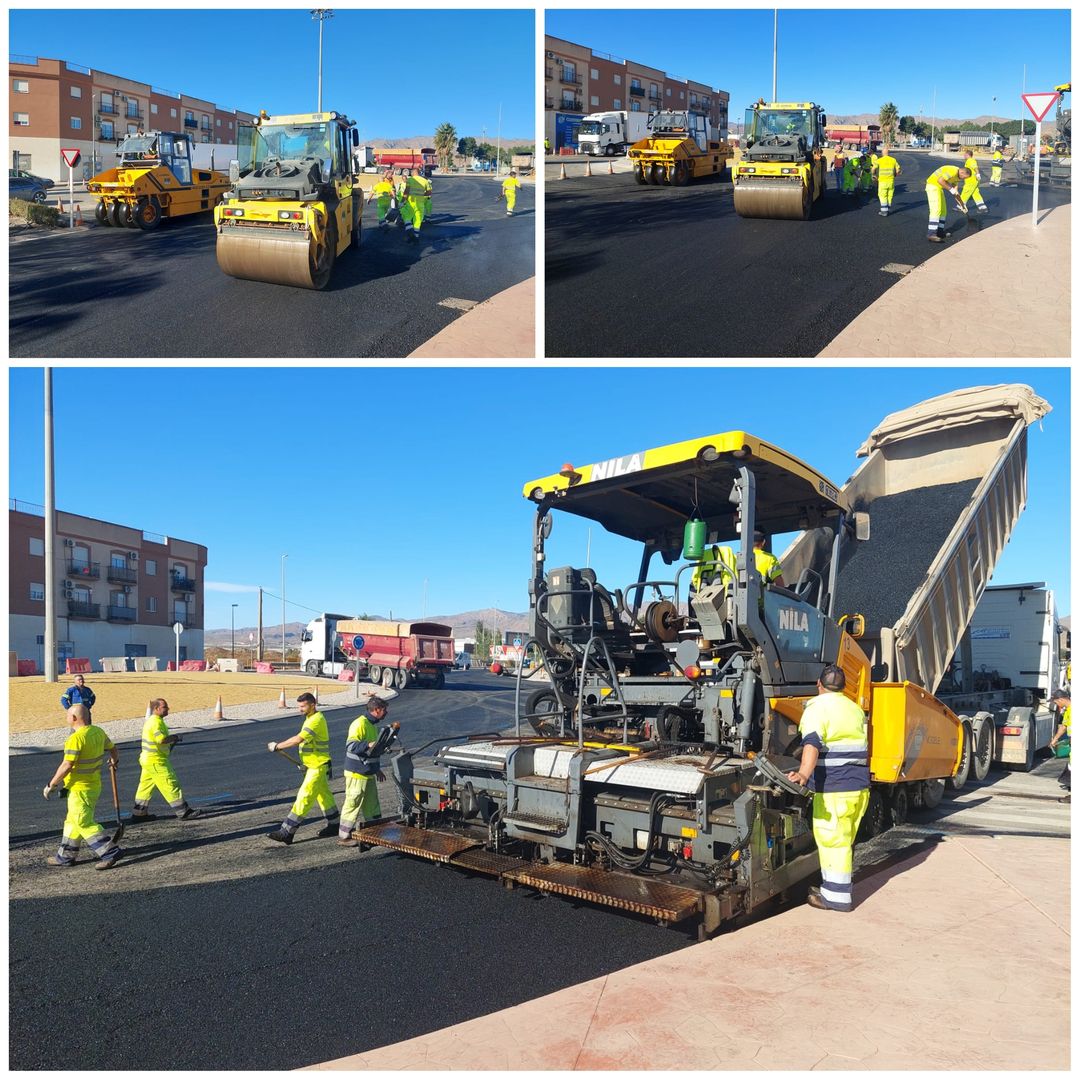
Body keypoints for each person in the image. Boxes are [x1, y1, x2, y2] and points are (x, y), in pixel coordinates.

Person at [787, 665, 869, 911]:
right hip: (858, 788)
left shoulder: (817, 707)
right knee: (844, 840)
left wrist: (803, 773)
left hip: (835, 788)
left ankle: (836, 898)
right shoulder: (854, 709)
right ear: (843, 688)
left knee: (833, 841)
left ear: (819, 685)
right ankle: (833, 887)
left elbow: (812, 743)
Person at [43, 705, 123, 869]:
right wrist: (114, 760)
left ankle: (110, 852)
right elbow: (113, 749)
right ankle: (65, 856)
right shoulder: (98, 732)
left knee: (83, 822)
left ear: (73, 718)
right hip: (93, 785)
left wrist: (52, 784)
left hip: (80, 789)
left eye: (67, 715)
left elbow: (67, 764)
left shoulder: (75, 739)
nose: (66, 718)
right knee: (72, 822)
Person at [266, 692, 339, 844]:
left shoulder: (316, 720)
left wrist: (277, 746)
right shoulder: (311, 718)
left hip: (318, 767)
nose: (300, 709)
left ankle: (287, 831)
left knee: (304, 797)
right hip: (315, 765)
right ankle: (335, 824)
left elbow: (299, 739)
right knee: (324, 796)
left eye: (303, 706)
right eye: (299, 706)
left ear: (313, 704)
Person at [131, 698, 200, 823]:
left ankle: (139, 813)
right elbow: (161, 739)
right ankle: (183, 811)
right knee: (170, 783)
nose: (168, 709)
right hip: (156, 760)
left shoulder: (153, 721)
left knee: (145, 787)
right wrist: (175, 737)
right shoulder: (156, 722)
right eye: (165, 707)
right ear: (156, 709)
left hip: (148, 759)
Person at [337, 696, 391, 846]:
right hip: (356, 773)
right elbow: (351, 746)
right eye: (384, 710)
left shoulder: (372, 725)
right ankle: (344, 836)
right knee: (352, 803)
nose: (386, 713)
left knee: (372, 804)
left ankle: (375, 830)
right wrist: (369, 744)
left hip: (368, 772)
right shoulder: (359, 724)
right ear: (376, 710)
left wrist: (377, 769)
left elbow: (372, 753)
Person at [924, 164, 970, 242]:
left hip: (939, 188)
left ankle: (939, 232)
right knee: (936, 209)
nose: (964, 179)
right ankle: (931, 233)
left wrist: (962, 205)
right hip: (932, 186)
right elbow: (940, 180)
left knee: (943, 211)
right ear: (962, 172)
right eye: (965, 177)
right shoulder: (953, 171)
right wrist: (950, 189)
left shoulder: (957, 178)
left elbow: (956, 193)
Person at [398, 167, 433, 242]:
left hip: (411, 202)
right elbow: (429, 192)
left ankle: (409, 231)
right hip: (420, 203)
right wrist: (421, 195)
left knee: (407, 216)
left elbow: (406, 192)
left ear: (413, 173)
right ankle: (416, 236)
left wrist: (402, 201)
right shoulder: (425, 181)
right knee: (417, 220)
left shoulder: (410, 180)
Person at [1049, 692, 1071, 801]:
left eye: (1056, 701)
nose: (1056, 704)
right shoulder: (1068, 711)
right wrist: (1055, 739)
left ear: (1061, 699)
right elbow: (1064, 727)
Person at [872, 146, 902, 217]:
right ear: (888, 153)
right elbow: (898, 170)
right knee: (890, 195)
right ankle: (887, 207)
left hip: (882, 181)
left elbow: (873, 169)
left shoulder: (879, 160)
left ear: (882, 153)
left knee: (883, 196)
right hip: (891, 181)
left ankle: (884, 211)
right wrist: (895, 175)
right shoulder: (893, 160)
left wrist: (873, 175)